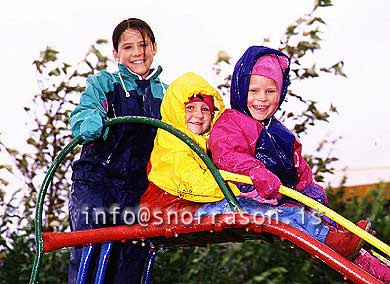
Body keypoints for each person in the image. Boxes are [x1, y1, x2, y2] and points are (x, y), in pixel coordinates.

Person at [202, 45, 390, 282]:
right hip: (243, 199)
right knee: (296, 218)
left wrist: (310, 191)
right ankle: (338, 243)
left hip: (279, 197)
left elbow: (298, 168)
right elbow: (227, 153)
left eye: (270, 91)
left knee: (327, 219)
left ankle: (376, 266)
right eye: (254, 90)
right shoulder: (231, 122)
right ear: (240, 88)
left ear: (280, 93)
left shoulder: (282, 133)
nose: (262, 98)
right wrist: (254, 171)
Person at [68, 18, 167, 284]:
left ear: (154, 48)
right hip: (97, 180)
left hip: (137, 188)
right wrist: (89, 121)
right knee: (92, 246)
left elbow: (186, 128)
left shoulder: (166, 94)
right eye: (128, 47)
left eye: (143, 45)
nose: (137, 53)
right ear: (116, 54)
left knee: (131, 258)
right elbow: (85, 110)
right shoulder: (105, 83)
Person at [140, 71, 240, 221]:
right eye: (190, 108)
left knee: (251, 204)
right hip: (166, 208)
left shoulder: (203, 143)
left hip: (188, 204)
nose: (199, 115)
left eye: (205, 109)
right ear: (176, 109)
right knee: (244, 207)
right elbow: (190, 179)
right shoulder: (172, 139)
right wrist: (235, 191)